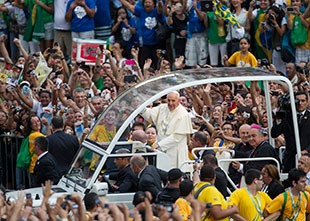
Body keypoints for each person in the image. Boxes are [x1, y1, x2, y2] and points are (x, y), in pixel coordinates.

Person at [141, 91, 193, 168]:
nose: (170, 103)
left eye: (173, 101)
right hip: (161, 150)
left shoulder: (183, 114)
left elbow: (177, 137)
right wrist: (141, 109)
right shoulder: (163, 107)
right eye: (169, 100)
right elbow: (150, 115)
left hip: (175, 151)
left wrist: (159, 145)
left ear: (178, 101)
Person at [271, 91, 310, 172]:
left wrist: (306, 150)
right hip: (290, 160)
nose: (300, 103)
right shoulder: (286, 116)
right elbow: (274, 134)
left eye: (303, 101)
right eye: (297, 101)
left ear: (307, 102)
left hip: (307, 159)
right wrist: (278, 119)